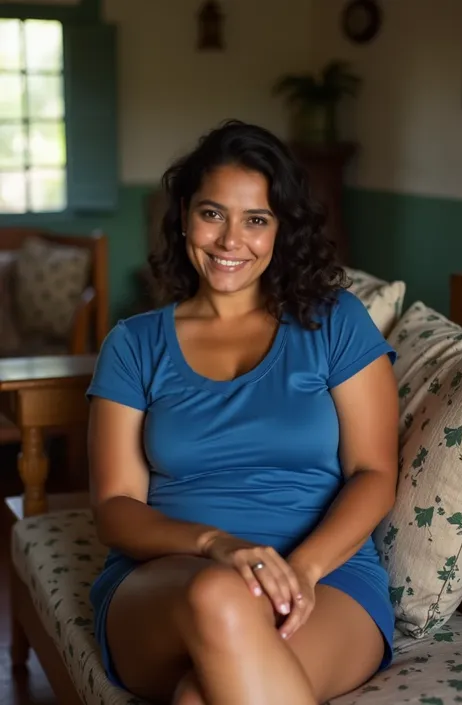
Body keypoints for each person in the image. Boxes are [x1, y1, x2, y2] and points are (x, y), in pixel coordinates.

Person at [87, 120, 399, 705]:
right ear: (183, 215)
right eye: (213, 214)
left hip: (328, 578)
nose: (231, 240)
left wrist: (301, 570)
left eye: (256, 220)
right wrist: (216, 546)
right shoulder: (133, 344)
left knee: (197, 698)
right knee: (219, 594)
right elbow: (115, 509)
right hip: (167, 582)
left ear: (281, 229)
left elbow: (375, 472)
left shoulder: (334, 322)